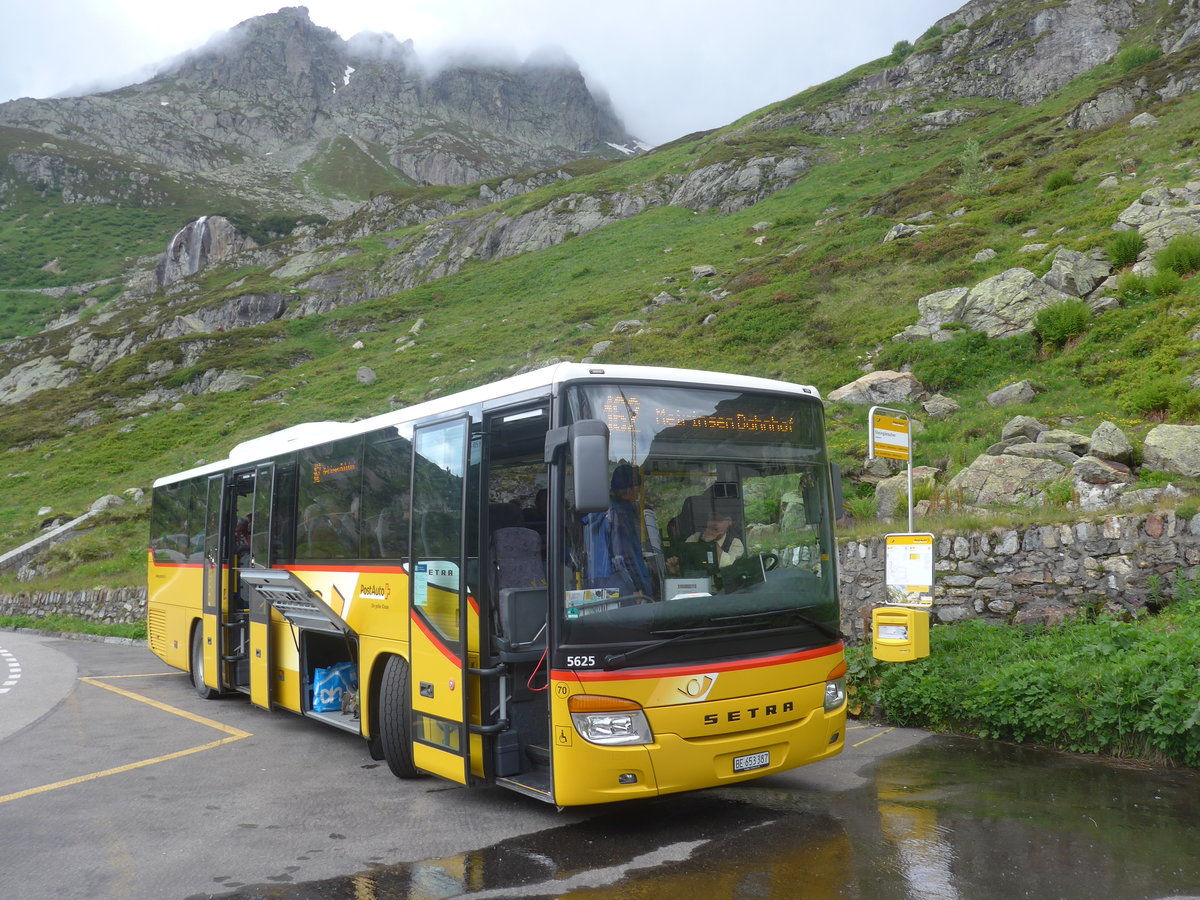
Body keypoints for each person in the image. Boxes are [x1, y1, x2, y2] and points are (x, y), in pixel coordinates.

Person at [585, 463, 653, 600]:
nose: (638, 493)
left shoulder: (599, 512)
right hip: (620, 582)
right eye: (637, 489)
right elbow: (623, 555)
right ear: (629, 490)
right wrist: (637, 587)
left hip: (599, 579)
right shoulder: (619, 514)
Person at [667, 506, 744, 575]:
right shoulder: (695, 538)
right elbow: (687, 562)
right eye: (711, 519)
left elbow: (727, 568)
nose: (714, 524)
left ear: (729, 522)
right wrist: (677, 571)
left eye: (719, 520)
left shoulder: (735, 543)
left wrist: (712, 544)